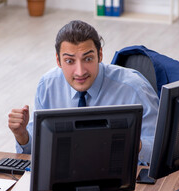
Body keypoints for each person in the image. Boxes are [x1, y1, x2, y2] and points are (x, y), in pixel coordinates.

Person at [8, 20, 159, 165]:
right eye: (69, 61)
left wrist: (132, 144)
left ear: (100, 55)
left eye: (88, 59)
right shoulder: (48, 85)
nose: (80, 72)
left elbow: (160, 150)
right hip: (66, 171)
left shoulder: (134, 88)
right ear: (58, 61)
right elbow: (37, 150)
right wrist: (22, 135)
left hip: (122, 172)